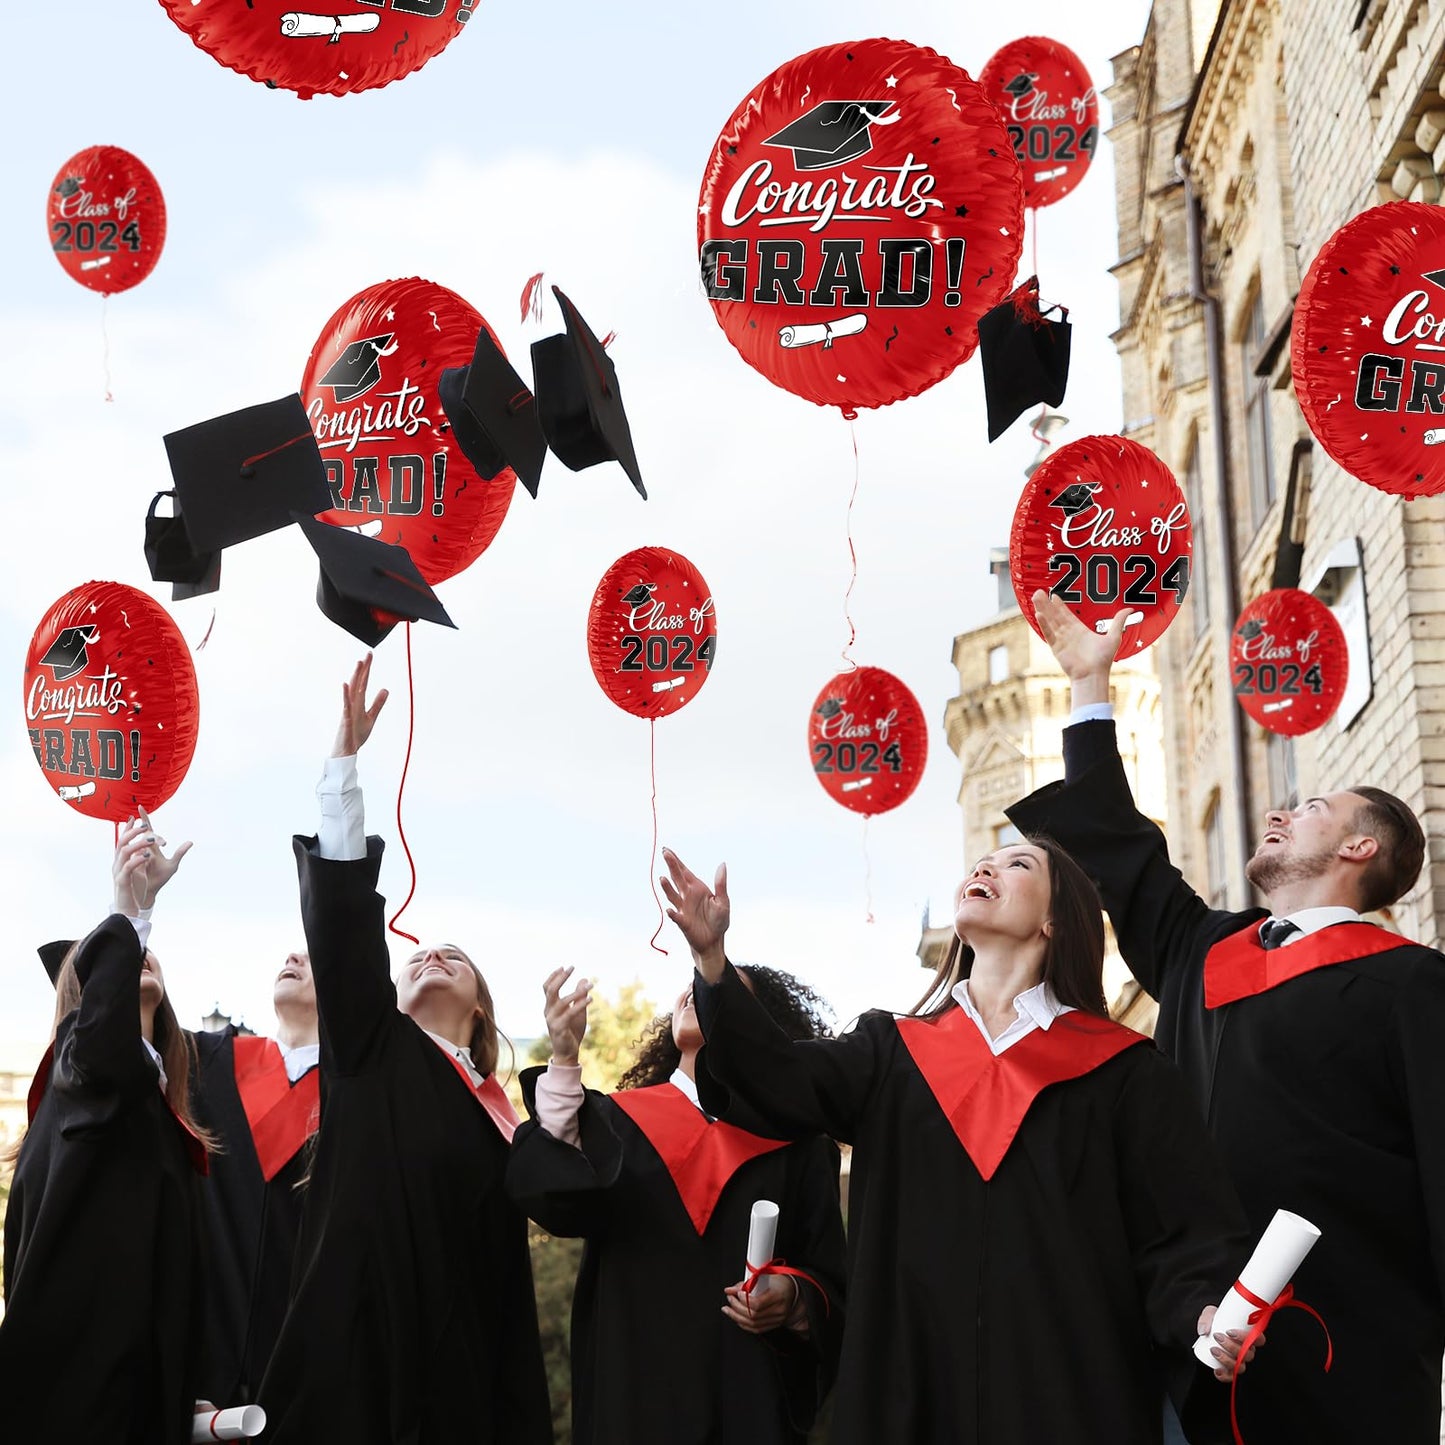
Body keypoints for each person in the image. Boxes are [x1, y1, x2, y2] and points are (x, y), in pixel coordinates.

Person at [1006, 588, 1445, 1444]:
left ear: (1361, 849)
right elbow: (1122, 855)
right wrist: (1091, 685)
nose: (1280, 812)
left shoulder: (1412, 986)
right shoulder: (1204, 950)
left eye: (1312, 809)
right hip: (1191, 1336)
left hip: (1349, 1348)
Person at [664, 841, 1255, 1445]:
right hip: (909, 1389)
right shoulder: (890, 1053)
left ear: (1057, 919)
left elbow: (1181, 1235)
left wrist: (1203, 1312)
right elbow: (773, 1076)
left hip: (1066, 1394)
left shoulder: (1123, 1072)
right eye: (982, 863)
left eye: (1018, 864)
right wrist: (712, 961)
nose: (985, 868)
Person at [258, 654, 551, 1444]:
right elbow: (346, 926)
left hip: (461, 1388)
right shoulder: (371, 1045)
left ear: (483, 1008)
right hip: (361, 1368)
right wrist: (342, 770)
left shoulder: (503, 1118)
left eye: (453, 954)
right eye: (419, 951)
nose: (430, 953)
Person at [507, 963, 846, 1444]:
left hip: (748, 1403)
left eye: (719, 992)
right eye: (691, 987)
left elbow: (831, 1280)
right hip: (633, 1400)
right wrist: (564, 1057)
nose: (696, 993)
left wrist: (793, 1298)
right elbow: (550, 1195)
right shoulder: (614, 1123)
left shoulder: (800, 1148)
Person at [0, 812, 210, 1443]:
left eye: (144, 955)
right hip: (73, 1402)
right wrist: (130, 911)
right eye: (111, 964)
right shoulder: (77, 1076)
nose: (137, 958)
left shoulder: (159, 1112)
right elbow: (99, 1051)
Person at [188, 946, 319, 1407]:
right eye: (292, 955)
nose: (293, 957)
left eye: (313, 956)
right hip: (197, 1368)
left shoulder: (359, 1093)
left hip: (312, 1379)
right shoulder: (204, 1059)